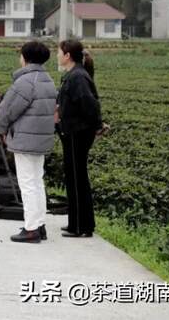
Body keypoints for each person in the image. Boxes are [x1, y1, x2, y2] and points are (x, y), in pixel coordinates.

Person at [0, 41, 56, 243]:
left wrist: (1, 129)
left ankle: (31, 229)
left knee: (27, 184)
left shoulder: (25, 82)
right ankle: (39, 224)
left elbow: (7, 109)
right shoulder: (47, 79)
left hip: (25, 139)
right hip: (41, 139)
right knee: (37, 182)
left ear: (25, 57)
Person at [57, 40, 102, 238]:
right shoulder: (75, 75)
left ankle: (80, 226)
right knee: (75, 177)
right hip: (73, 132)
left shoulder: (77, 77)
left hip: (78, 133)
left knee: (77, 178)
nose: (57, 55)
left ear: (67, 55)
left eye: (59, 52)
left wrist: (96, 125)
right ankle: (78, 223)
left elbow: (89, 104)